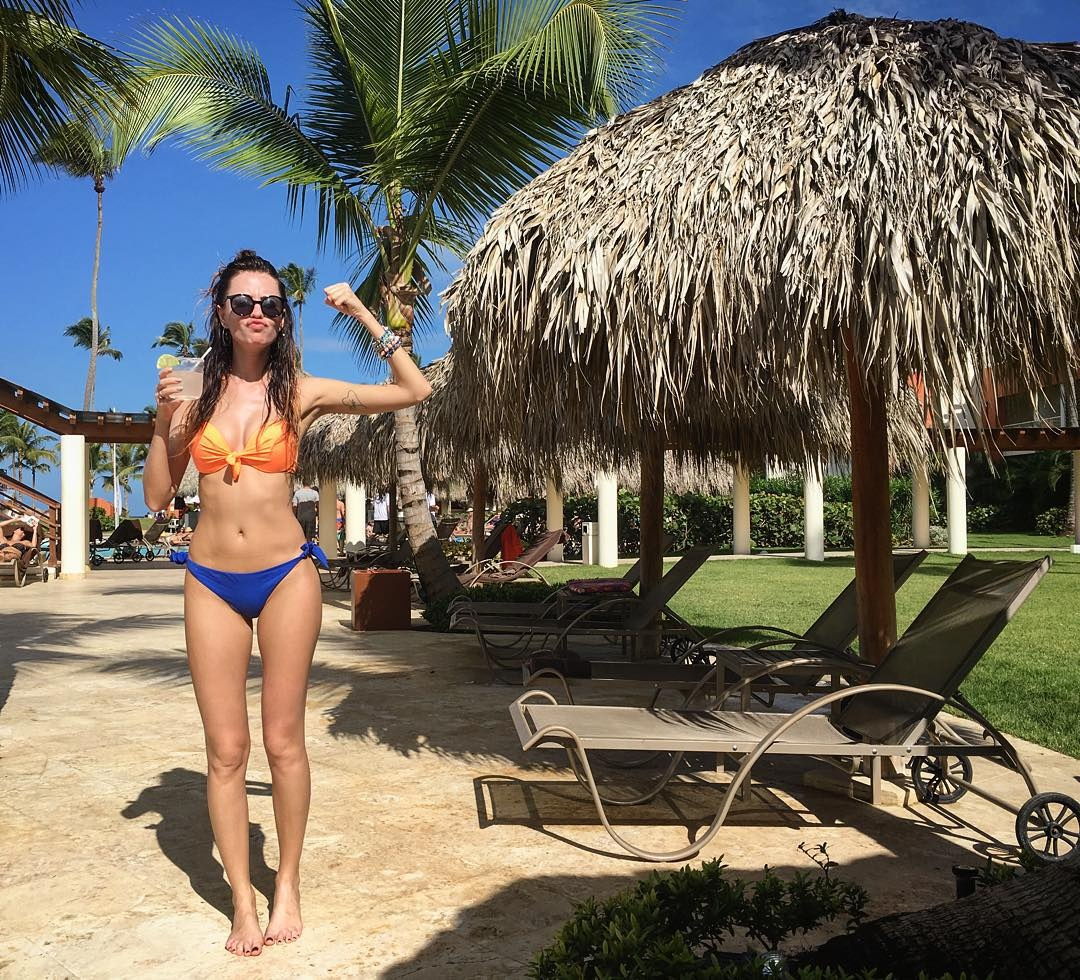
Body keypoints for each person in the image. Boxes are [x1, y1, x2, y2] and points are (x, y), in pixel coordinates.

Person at [143, 250, 431, 957]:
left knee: (282, 742)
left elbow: (414, 389)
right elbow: (156, 497)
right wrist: (161, 420)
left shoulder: (299, 391)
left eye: (271, 304)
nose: (258, 314)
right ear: (221, 312)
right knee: (225, 752)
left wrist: (363, 314)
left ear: (282, 317)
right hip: (211, 579)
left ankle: (288, 884)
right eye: (243, 303)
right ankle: (242, 901)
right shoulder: (191, 397)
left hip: (285, 577)